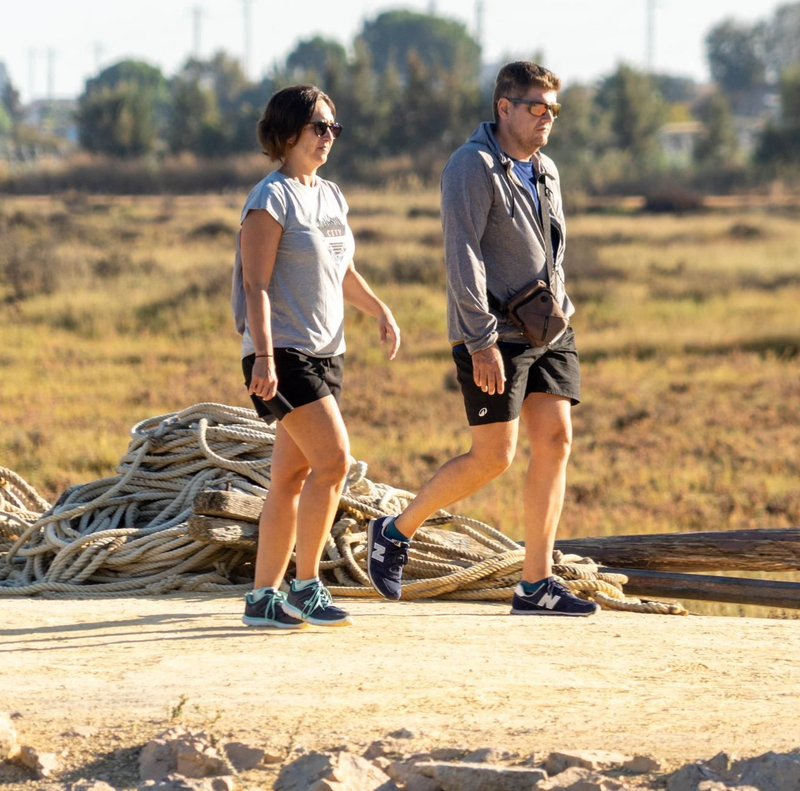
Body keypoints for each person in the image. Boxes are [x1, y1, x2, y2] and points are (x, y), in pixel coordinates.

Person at [366, 61, 597, 617]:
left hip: (548, 328)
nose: (547, 118)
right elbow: (462, 254)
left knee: (558, 440)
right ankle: (396, 531)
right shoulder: (471, 166)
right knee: (494, 456)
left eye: (553, 109)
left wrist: (561, 302)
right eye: (536, 107)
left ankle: (535, 583)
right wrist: (480, 341)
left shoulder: (546, 170)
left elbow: (556, 248)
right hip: (493, 332)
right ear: (504, 108)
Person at [232, 84, 400, 628]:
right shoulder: (270, 198)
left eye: (334, 128)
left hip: (328, 352)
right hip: (282, 353)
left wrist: (379, 310)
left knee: (291, 479)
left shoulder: (329, 196)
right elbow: (255, 284)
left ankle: (262, 599)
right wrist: (262, 358)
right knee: (335, 463)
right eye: (318, 127)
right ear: (286, 134)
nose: (329, 137)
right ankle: (305, 587)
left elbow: (342, 270)